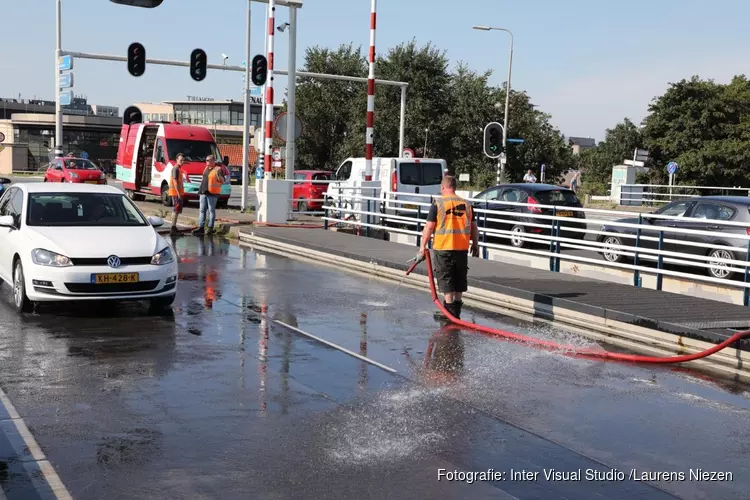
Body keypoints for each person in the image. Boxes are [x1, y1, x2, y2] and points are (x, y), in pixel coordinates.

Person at [418, 176, 480, 320]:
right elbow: (474, 228)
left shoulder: (438, 203)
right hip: (462, 248)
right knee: (459, 278)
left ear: (442, 188)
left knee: (446, 278)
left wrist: (422, 246)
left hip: (443, 247)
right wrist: (476, 245)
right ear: (455, 187)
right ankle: (456, 310)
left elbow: (429, 227)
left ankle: (448, 312)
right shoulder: (467, 204)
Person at [193, 155, 225, 235]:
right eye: (206, 160)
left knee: (211, 211)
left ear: (213, 161)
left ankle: (210, 227)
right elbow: (203, 179)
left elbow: (222, 181)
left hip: (212, 193)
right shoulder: (206, 168)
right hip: (203, 192)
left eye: (208, 160)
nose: (207, 162)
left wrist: (219, 175)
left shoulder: (218, 169)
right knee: (202, 210)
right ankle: (201, 227)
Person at [168, 153, 185, 235]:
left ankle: (173, 227)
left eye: (183, 160)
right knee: (176, 209)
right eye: (180, 160)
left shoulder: (179, 169)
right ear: (177, 160)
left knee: (177, 210)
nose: (182, 161)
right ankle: (173, 228)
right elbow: (175, 181)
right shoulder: (176, 169)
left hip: (178, 193)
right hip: (176, 193)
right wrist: (178, 193)